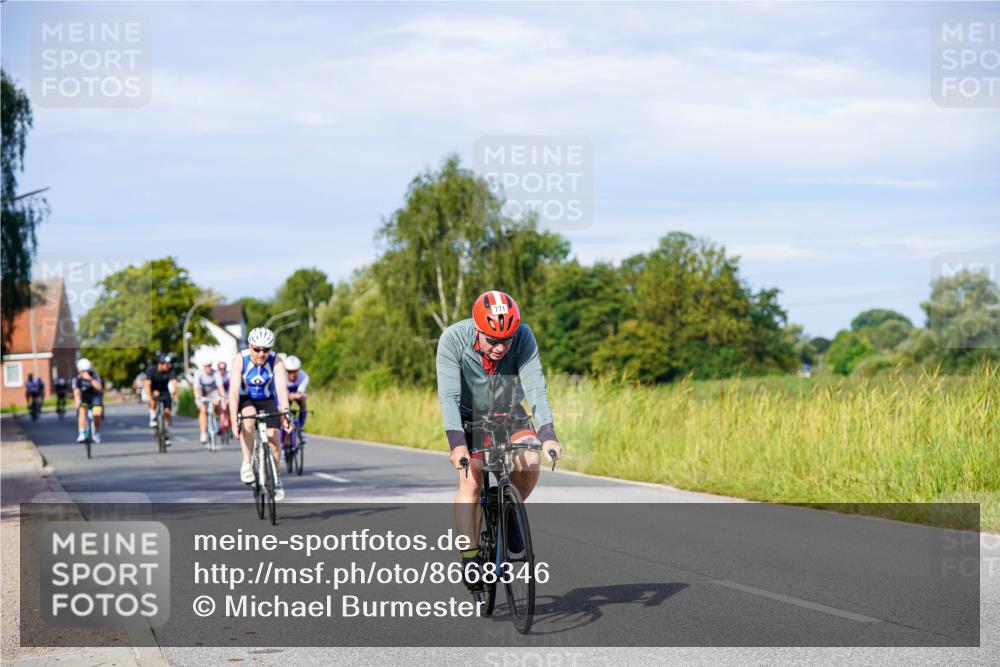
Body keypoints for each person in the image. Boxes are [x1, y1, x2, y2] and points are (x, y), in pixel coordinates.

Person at [436, 290, 563, 589]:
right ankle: (470, 556)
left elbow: (535, 388)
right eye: (492, 340)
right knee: (471, 479)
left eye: (507, 339)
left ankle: (508, 511)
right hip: (469, 417)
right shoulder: (453, 339)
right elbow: (449, 397)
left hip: (508, 412)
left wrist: (547, 435)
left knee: (531, 458)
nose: (501, 347)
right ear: (477, 329)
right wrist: (457, 445)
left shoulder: (523, 337)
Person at [229, 327, 291, 501]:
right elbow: (233, 392)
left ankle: (276, 478)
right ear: (250, 346)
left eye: (266, 350)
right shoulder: (240, 359)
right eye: (257, 349)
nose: (261, 354)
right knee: (248, 419)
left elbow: (281, 390)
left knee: (275, 438)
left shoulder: (276, 360)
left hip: (267, 399)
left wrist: (285, 414)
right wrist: (234, 420)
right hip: (246, 399)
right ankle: (247, 464)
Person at [144, 353, 179, 445]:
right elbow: (147, 383)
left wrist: (174, 394)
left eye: (169, 364)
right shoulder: (151, 370)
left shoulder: (170, 370)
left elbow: (174, 382)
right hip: (153, 389)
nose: (168, 366)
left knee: (167, 413)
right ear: (160, 363)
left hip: (165, 391)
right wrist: (148, 394)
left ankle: (166, 433)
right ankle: (152, 417)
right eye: (166, 364)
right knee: (154, 397)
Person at [193, 356, 226, 446]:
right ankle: (203, 433)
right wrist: (197, 397)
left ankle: (217, 420)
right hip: (202, 394)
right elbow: (196, 387)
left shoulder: (216, 373)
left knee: (216, 403)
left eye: (210, 365)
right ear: (203, 366)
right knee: (203, 410)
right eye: (206, 366)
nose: (208, 368)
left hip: (214, 393)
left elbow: (220, 386)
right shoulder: (198, 373)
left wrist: (222, 395)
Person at [72, 359, 104, 443]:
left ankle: (96, 432)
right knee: (82, 411)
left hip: (95, 397)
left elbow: (99, 388)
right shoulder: (77, 378)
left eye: (86, 371)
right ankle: (81, 433)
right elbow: (76, 391)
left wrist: (90, 379)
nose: (84, 373)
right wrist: (77, 401)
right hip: (84, 397)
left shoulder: (95, 376)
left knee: (97, 414)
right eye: (82, 371)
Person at [284, 355, 309, 444]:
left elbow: (300, 392)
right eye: (290, 371)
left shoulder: (304, 376)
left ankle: (301, 428)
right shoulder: (282, 376)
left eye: (295, 371)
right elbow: (283, 392)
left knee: (303, 400)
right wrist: (288, 396)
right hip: (287, 394)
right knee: (284, 406)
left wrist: (296, 395)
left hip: (296, 393)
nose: (292, 374)